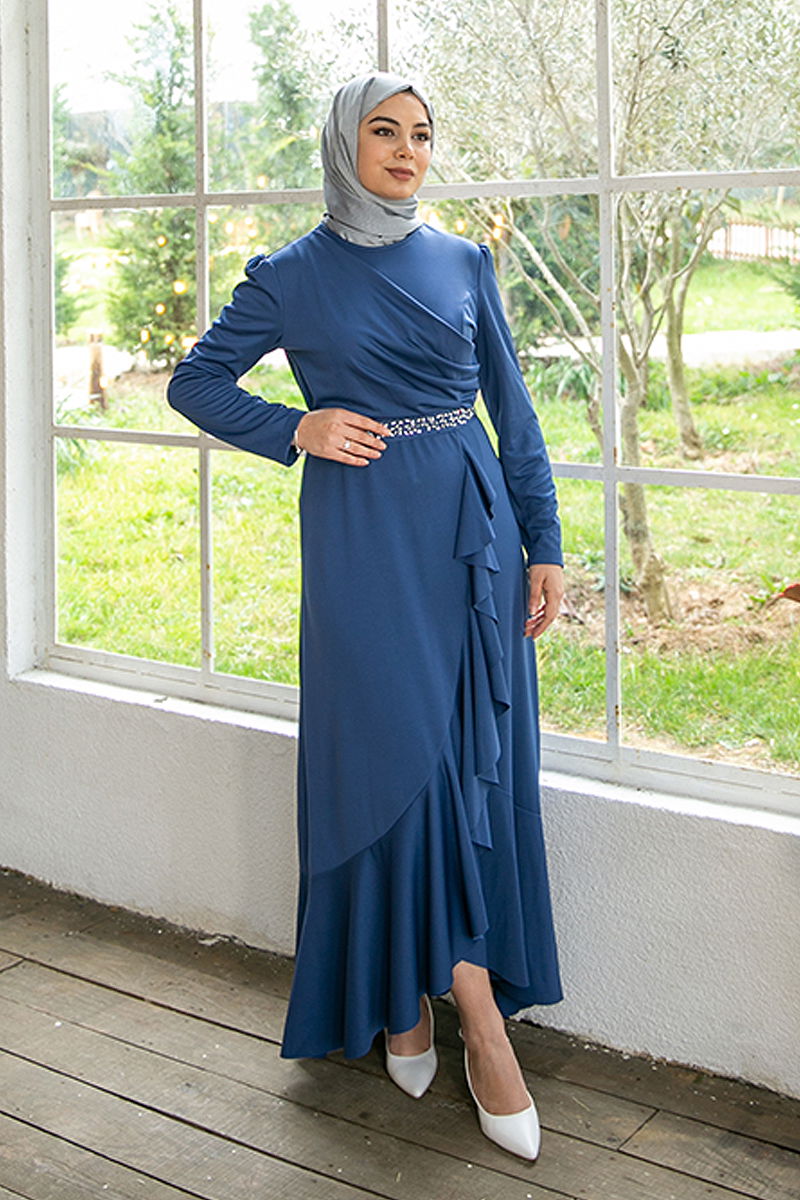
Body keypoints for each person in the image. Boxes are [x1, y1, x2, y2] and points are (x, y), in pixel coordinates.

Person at [168, 71, 565, 1162]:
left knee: (468, 763)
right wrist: (296, 428)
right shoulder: (289, 275)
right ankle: (419, 998)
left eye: (421, 133)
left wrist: (543, 542)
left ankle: (463, 1006)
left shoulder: (462, 260)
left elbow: (513, 411)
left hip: (472, 535)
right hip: (361, 540)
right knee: (388, 761)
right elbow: (195, 382)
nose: (405, 149)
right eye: (383, 130)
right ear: (344, 143)